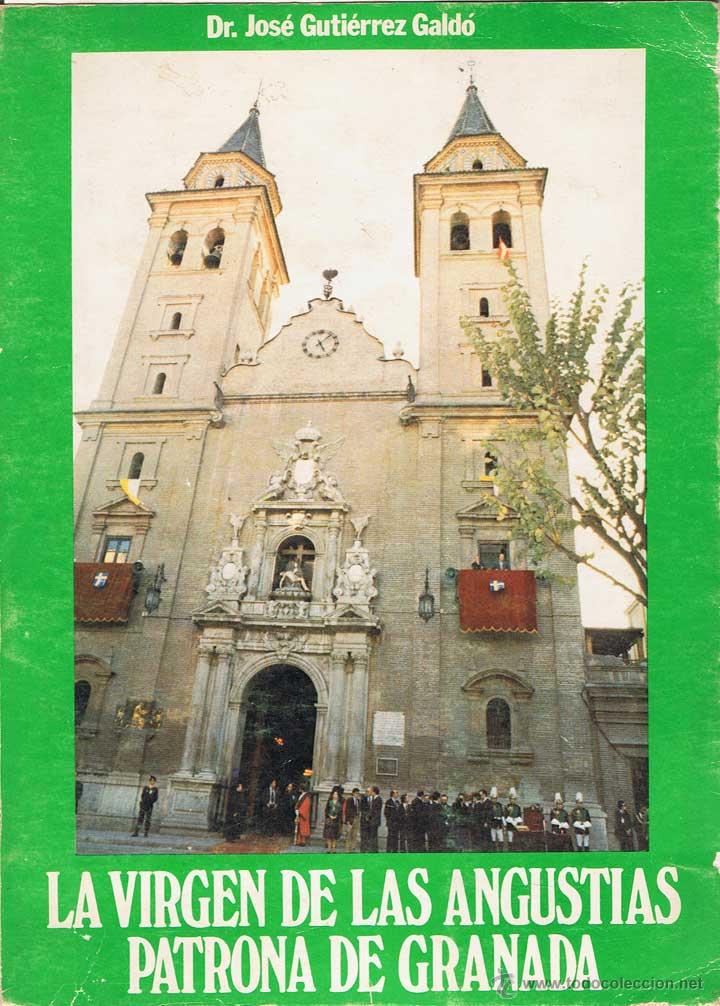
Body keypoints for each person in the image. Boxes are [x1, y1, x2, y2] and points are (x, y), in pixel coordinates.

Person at [361, 786, 382, 852]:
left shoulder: (378, 799)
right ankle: (372, 850)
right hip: (371, 821)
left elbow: (375, 811)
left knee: (373, 836)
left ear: (374, 792)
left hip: (374, 821)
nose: (370, 793)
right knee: (371, 836)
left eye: (371, 791)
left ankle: (374, 850)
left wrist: (369, 816)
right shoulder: (374, 799)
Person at [343, 788, 361, 852]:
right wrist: (348, 821)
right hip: (350, 819)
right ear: (353, 793)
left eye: (358, 793)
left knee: (354, 834)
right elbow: (347, 811)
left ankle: (352, 848)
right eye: (356, 793)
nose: (357, 795)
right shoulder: (349, 800)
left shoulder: (358, 801)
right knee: (349, 834)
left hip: (357, 819)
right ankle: (347, 849)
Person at [489, 786, 505, 851]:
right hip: (492, 823)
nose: (494, 800)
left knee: (500, 838)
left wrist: (504, 824)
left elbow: (502, 815)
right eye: (493, 798)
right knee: (493, 838)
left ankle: (501, 851)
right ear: (491, 798)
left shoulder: (499, 805)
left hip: (499, 823)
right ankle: (494, 851)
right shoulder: (489, 805)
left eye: (495, 798)